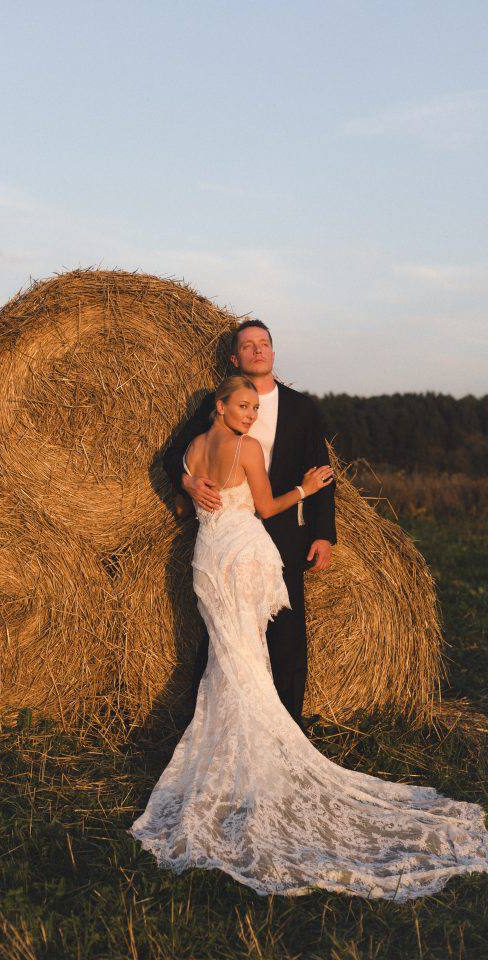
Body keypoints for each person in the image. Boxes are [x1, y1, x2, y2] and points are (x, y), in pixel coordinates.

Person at [129, 376, 488, 899]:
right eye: (243, 406)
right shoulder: (248, 448)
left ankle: (228, 769)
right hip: (243, 555)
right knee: (246, 663)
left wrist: (188, 486)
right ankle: (257, 768)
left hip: (207, 559)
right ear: (221, 405)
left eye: (255, 408)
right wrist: (307, 489)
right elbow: (267, 507)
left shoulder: (192, 450)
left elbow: (188, 498)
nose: (251, 415)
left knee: (229, 662)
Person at [163, 319, 335, 729]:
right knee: (223, 637)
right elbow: (174, 456)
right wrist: (188, 482)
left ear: (273, 352)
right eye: (248, 345)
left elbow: (322, 470)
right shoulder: (215, 404)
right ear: (234, 358)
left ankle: (288, 725)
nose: (258, 350)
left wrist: (324, 534)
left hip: (284, 532)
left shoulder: (302, 407)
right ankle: (211, 725)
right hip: (234, 537)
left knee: (287, 633)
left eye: (264, 344)